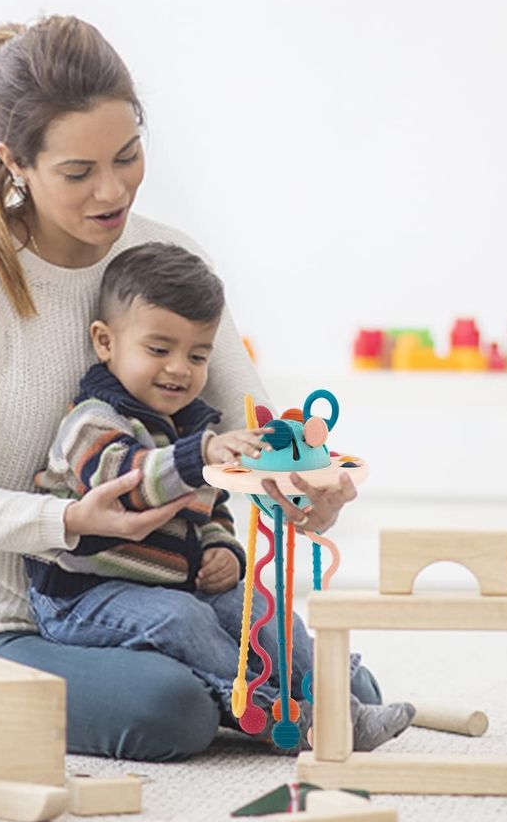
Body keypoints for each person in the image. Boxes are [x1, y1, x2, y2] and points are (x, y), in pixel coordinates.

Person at [0, 14, 405, 760]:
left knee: (349, 694)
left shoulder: (166, 258)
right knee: (170, 713)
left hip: (154, 593)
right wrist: (66, 522)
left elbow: (249, 423)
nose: (112, 189)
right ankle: (236, 699)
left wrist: (303, 486)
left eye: (128, 156)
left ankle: (253, 696)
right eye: (77, 173)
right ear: (14, 163)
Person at [26, 240, 414, 751]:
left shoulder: (190, 423)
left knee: (261, 610)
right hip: (84, 597)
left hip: (177, 584)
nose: (179, 369)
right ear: (105, 342)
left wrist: (219, 548)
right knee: (184, 621)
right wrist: (201, 455)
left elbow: (209, 508)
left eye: (198, 354)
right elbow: (128, 478)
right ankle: (292, 718)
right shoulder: (91, 420)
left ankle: (338, 703)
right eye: (158, 350)